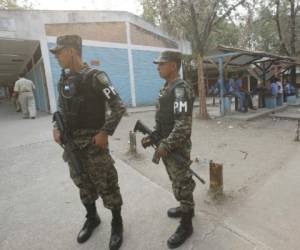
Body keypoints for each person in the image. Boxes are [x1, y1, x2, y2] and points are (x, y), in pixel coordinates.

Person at [50, 35, 126, 250]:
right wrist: (56, 127)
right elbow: (61, 108)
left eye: (59, 52)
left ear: (72, 51)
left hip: (94, 144)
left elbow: (118, 106)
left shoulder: (96, 77)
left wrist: (105, 133)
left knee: (107, 184)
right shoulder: (63, 79)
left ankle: (117, 223)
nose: (56, 57)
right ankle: (92, 218)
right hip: (72, 145)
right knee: (82, 183)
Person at [142, 51, 196, 249]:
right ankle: (185, 207)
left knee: (182, 184)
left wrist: (166, 144)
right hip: (166, 144)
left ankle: (187, 224)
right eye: (158, 64)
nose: (158, 67)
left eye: (162, 64)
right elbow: (165, 118)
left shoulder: (181, 89)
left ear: (174, 65)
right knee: (176, 181)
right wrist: (154, 135)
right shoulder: (166, 87)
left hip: (176, 147)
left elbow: (183, 126)